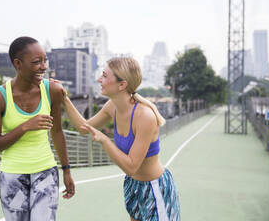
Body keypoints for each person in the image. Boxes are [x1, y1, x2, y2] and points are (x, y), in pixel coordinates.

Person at [60, 57, 180, 221]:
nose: (99, 79)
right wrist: (64, 99)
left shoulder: (145, 116)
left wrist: (105, 140)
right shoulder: (111, 106)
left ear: (122, 85)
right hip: (133, 186)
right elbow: (83, 128)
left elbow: (131, 166)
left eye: (104, 75)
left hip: (154, 188)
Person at [0, 36, 75, 221]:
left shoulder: (52, 91)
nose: (44, 66)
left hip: (45, 174)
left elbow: (57, 132)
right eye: (36, 62)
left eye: (45, 60)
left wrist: (66, 170)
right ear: (18, 63)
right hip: (12, 178)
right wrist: (25, 127)